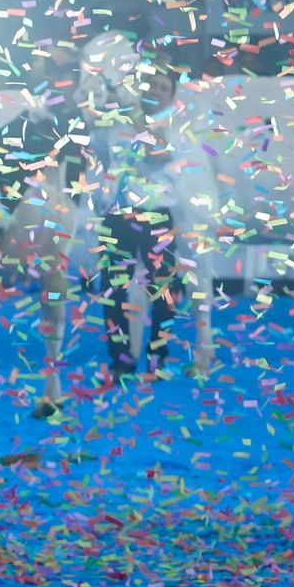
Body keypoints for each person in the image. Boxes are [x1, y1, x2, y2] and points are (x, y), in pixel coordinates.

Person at [95, 60, 185, 377]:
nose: (157, 92)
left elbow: (159, 153)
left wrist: (135, 116)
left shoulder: (172, 124)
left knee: (164, 290)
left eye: (165, 88)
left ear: (171, 97)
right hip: (118, 215)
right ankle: (121, 359)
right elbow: (100, 158)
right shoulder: (113, 123)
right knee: (113, 290)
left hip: (157, 215)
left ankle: (158, 355)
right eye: (153, 85)